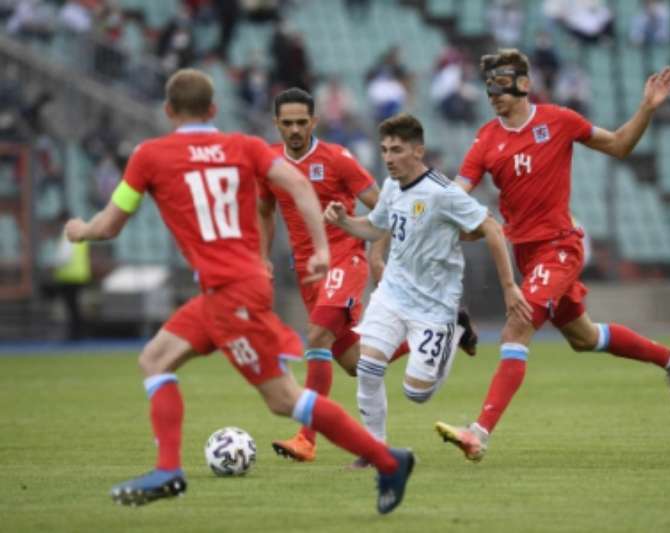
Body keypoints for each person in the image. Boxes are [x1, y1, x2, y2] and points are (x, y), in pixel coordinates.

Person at [62, 68, 413, 514]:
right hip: (225, 290)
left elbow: (109, 225)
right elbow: (299, 186)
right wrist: (320, 248)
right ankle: (168, 470)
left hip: (234, 293)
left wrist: (79, 230)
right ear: (213, 110)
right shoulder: (244, 148)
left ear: (168, 111)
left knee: (285, 398)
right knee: (154, 358)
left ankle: (388, 461)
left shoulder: (149, 155)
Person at [434, 49, 670, 462]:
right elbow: (454, 197)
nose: (495, 95)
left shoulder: (559, 121)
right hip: (526, 254)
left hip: (560, 247)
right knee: (584, 337)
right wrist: (428, 214)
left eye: (502, 85)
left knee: (515, 330)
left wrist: (646, 109)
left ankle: (478, 432)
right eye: (490, 89)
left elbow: (619, 145)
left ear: (523, 84)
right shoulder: (485, 139)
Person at [260, 89, 476, 463]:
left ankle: (306, 439)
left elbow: (388, 206)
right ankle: (448, 332)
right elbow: (264, 210)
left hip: (345, 259)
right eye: (287, 123)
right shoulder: (271, 163)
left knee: (315, 337)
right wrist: (262, 257)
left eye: (301, 122)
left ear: (314, 122)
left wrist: (377, 254)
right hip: (308, 269)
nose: (295, 130)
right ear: (276, 123)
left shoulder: (337, 159)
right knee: (354, 365)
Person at [324, 113, 532, 449]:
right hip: (392, 294)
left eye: (397, 150)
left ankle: (457, 330)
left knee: (416, 393)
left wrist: (509, 286)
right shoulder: (391, 187)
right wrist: (344, 221)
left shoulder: (442, 193)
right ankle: (374, 450)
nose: (389, 158)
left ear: (418, 151)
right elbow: (376, 228)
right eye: (385, 150)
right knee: (367, 368)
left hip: (434, 306)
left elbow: (492, 228)